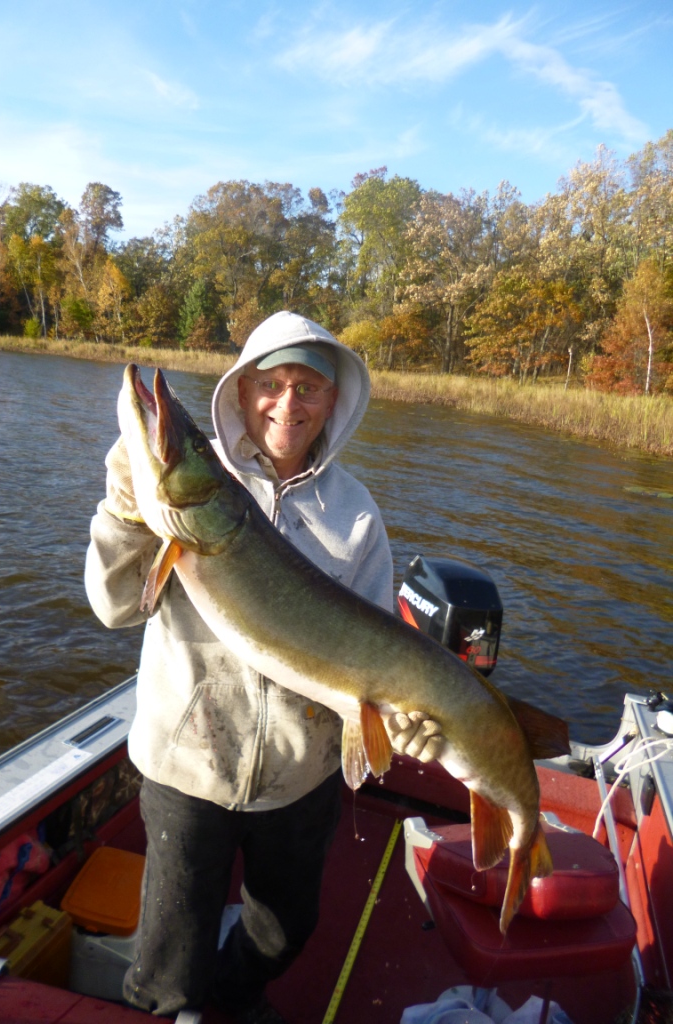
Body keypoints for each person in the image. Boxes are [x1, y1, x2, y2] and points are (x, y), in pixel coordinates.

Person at [85, 311, 440, 1022]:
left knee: (284, 933)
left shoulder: (359, 517)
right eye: (271, 384)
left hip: (299, 774)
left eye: (307, 387)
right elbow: (117, 606)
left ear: (334, 400)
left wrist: (405, 718)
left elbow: (372, 655)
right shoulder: (193, 484)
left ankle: (234, 997)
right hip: (189, 763)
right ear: (243, 393)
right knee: (166, 969)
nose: (287, 404)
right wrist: (127, 508)